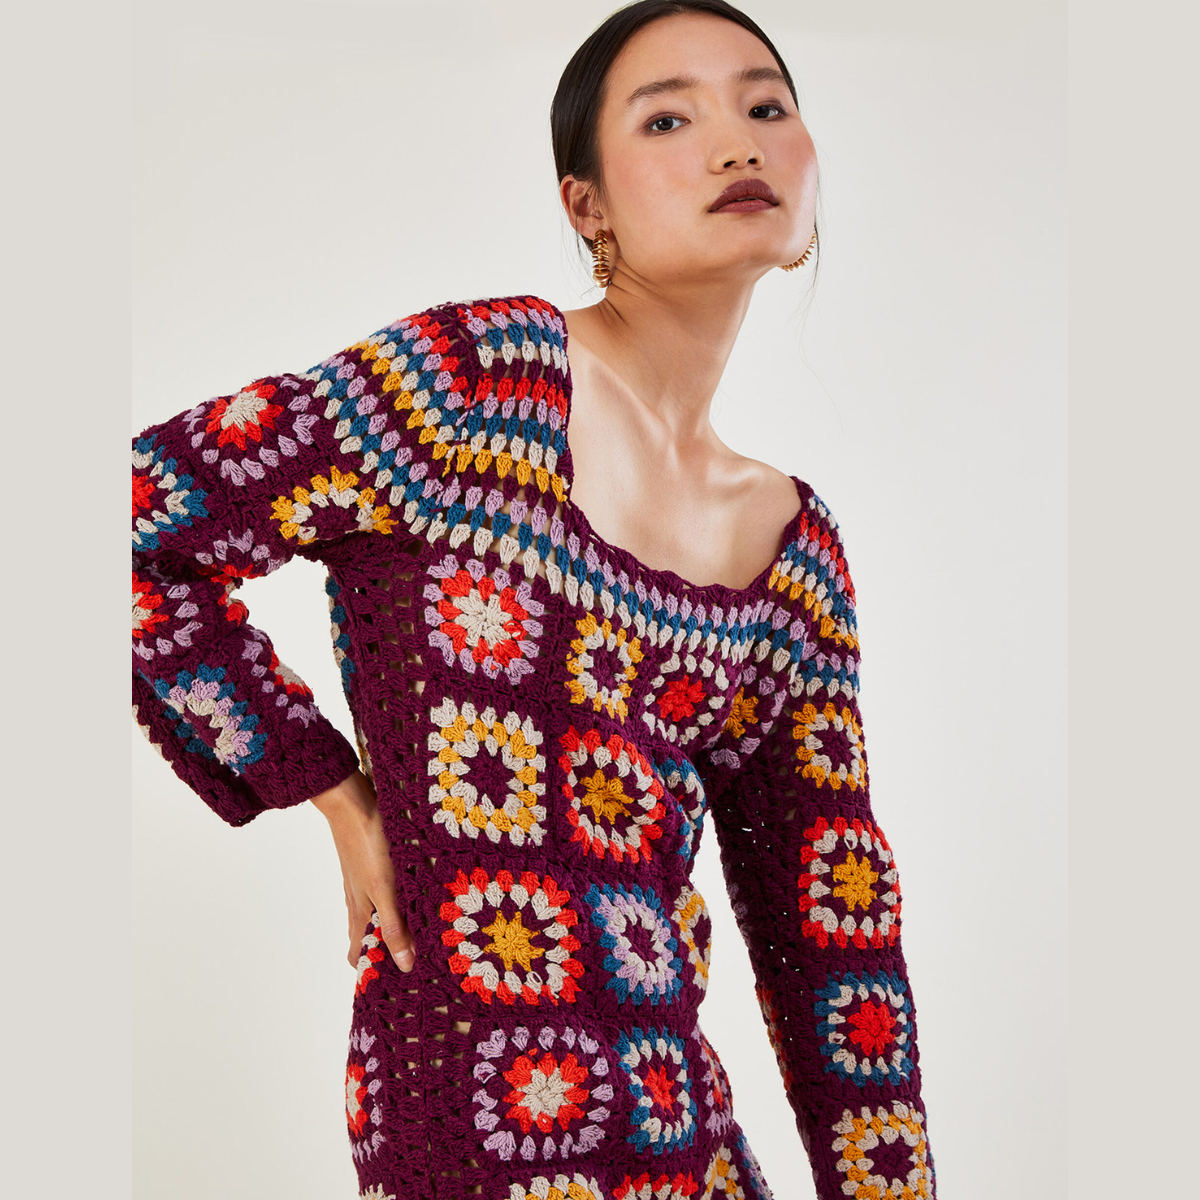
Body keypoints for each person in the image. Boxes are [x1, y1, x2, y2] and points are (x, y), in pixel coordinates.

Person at [131, 2, 935, 1197]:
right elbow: (135, 518)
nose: (737, 142)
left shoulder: (793, 550)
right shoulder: (468, 388)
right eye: (668, 119)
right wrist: (330, 790)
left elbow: (832, 934)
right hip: (474, 1126)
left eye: (767, 106)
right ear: (586, 205)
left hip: (684, 1135)